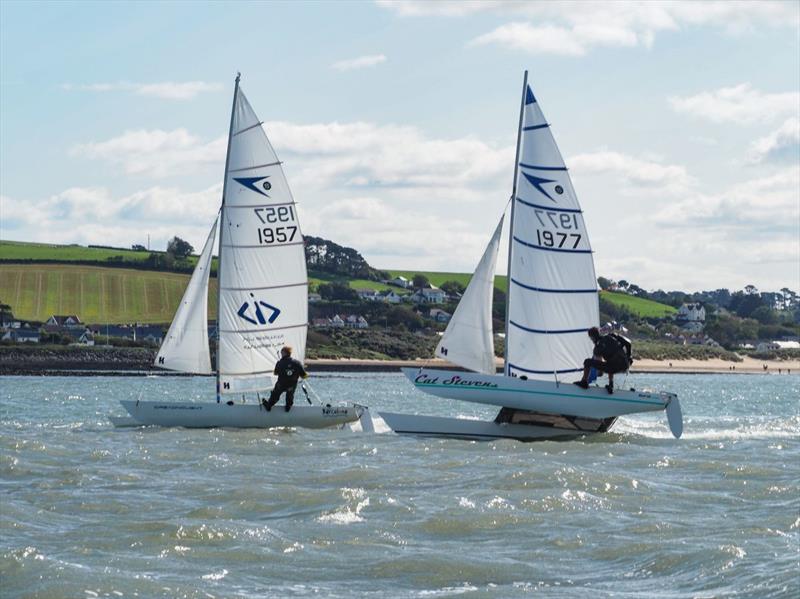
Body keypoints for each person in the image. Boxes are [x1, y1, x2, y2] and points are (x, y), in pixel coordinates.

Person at [573, 327, 632, 394]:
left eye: (591, 338)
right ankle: (611, 384)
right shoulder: (611, 335)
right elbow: (628, 344)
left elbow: (600, 373)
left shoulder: (597, 348)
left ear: (592, 337)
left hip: (614, 366)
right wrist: (628, 358)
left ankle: (584, 382)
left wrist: (598, 373)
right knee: (610, 362)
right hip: (625, 365)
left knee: (587, 362)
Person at [263, 346, 308, 412]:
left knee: (275, 395)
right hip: (291, 385)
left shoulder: (279, 363)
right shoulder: (297, 363)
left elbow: (275, 373)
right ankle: (288, 407)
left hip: (281, 384)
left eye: (281, 353)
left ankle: (269, 405)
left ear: (284, 353)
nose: (281, 354)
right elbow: (304, 376)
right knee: (290, 395)